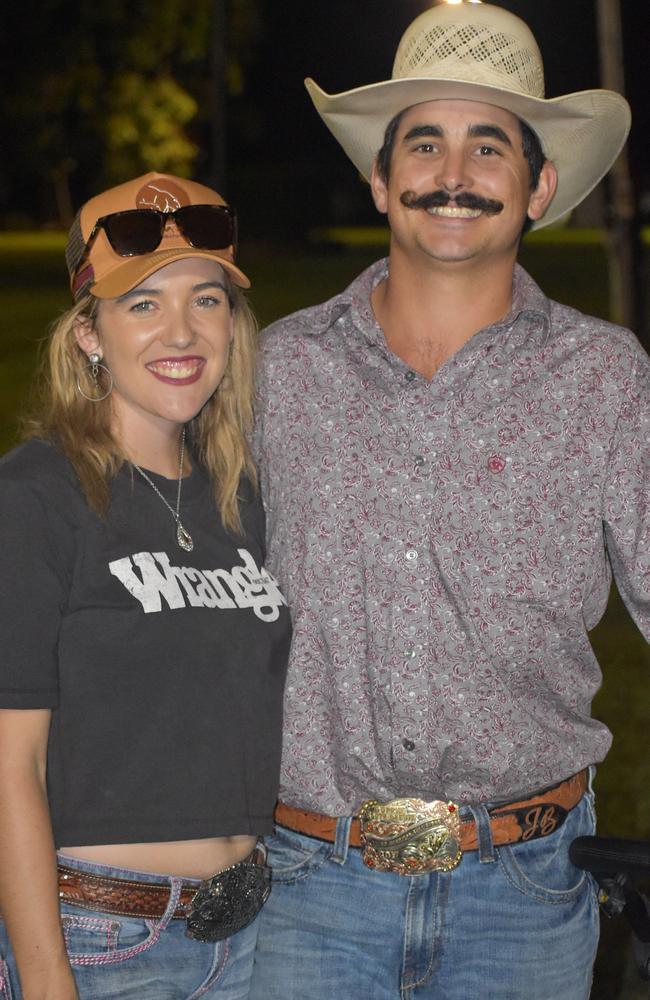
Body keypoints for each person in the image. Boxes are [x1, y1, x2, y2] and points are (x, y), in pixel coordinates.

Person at [249, 4, 648, 999]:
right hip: (307, 888)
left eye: (487, 146)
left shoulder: (604, 379)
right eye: (423, 144)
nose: (452, 174)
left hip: (524, 889)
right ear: (382, 180)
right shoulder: (276, 371)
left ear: (537, 186)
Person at [0, 171, 291, 1000]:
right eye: (143, 304)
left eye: (207, 300)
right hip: (107, 948)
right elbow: (7, 769)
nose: (182, 331)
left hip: (253, 940)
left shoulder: (243, 499)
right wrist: (48, 979)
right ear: (89, 334)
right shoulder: (35, 497)